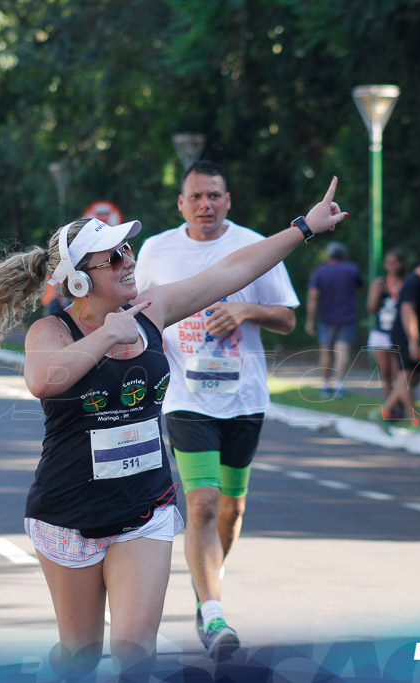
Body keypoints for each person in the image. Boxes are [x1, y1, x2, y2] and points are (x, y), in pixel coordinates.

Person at [0, 179, 346, 679]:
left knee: (136, 652)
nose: (128, 261)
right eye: (112, 258)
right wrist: (106, 336)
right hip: (68, 514)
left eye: (128, 250)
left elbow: (231, 270)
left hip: (145, 508)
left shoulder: (151, 312)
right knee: (80, 656)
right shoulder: (51, 331)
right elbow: (41, 380)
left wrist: (303, 228)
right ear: (78, 281)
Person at [133, 160, 299, 659]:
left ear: (228, 201)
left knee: (232, 506)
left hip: (244, 399)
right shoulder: (156, 250)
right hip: (185, 398)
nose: (206, 204)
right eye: (196, 196)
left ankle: (209, 586)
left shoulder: (254, 246)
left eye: (215, 196)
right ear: (181, 203)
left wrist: (246, 309)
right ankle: (213, 609)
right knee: (201, 502)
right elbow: (136, 313)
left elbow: (288, 319)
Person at [371, 251, 420, 430]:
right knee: (405, 377)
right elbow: (407, 310)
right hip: (405, 336)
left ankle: (384, 411)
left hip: (415, 336)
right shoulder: (414, 282)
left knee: (414, 377)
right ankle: (416, 420)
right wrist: (413, 340)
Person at [304, 241, 362, 397]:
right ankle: (339, 385)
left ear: (328, 255)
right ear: (343, 255)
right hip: (347, 316)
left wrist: (310, 320)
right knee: (342, 350)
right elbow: (359, 288)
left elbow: (313, 297)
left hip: (326, 317)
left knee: (325, 350)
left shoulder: (320, 271)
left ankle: (325, 384)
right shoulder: (352, 269)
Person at [366, 249, 407, 413]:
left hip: (400, 333)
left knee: (400, 374)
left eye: (395, 262)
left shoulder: (407, 283)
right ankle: (391, 408)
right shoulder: (380, 284)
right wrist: (378, 291)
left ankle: (402, 405)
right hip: (381, 333)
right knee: (386, 373)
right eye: (389, 263)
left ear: (402, 263)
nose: (392, 266)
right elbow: (371, 308)